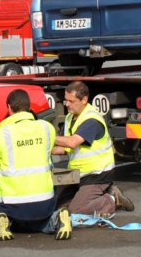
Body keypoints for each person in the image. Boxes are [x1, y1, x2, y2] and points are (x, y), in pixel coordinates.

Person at [0, 89, 72, 241]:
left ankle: (3, 218)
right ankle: (57, 217)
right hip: (45, 201)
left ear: (9, 108)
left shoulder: (0, 135)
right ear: (29, 107)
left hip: (13, 203)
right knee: (41, 221)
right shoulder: (46, 128)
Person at [53, 80, 134, 216]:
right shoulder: (69, 118)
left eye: (71, 101)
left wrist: (45, 135)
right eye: (66, 100)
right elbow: (64, 148)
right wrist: (41, 148)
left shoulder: (91, 120)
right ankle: (99, 197)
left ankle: (112, 199)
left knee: (76, 211)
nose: (67, 104)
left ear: (84, 99)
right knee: (59, 209)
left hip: (97, 174)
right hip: (78, 174)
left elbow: (72, 142)